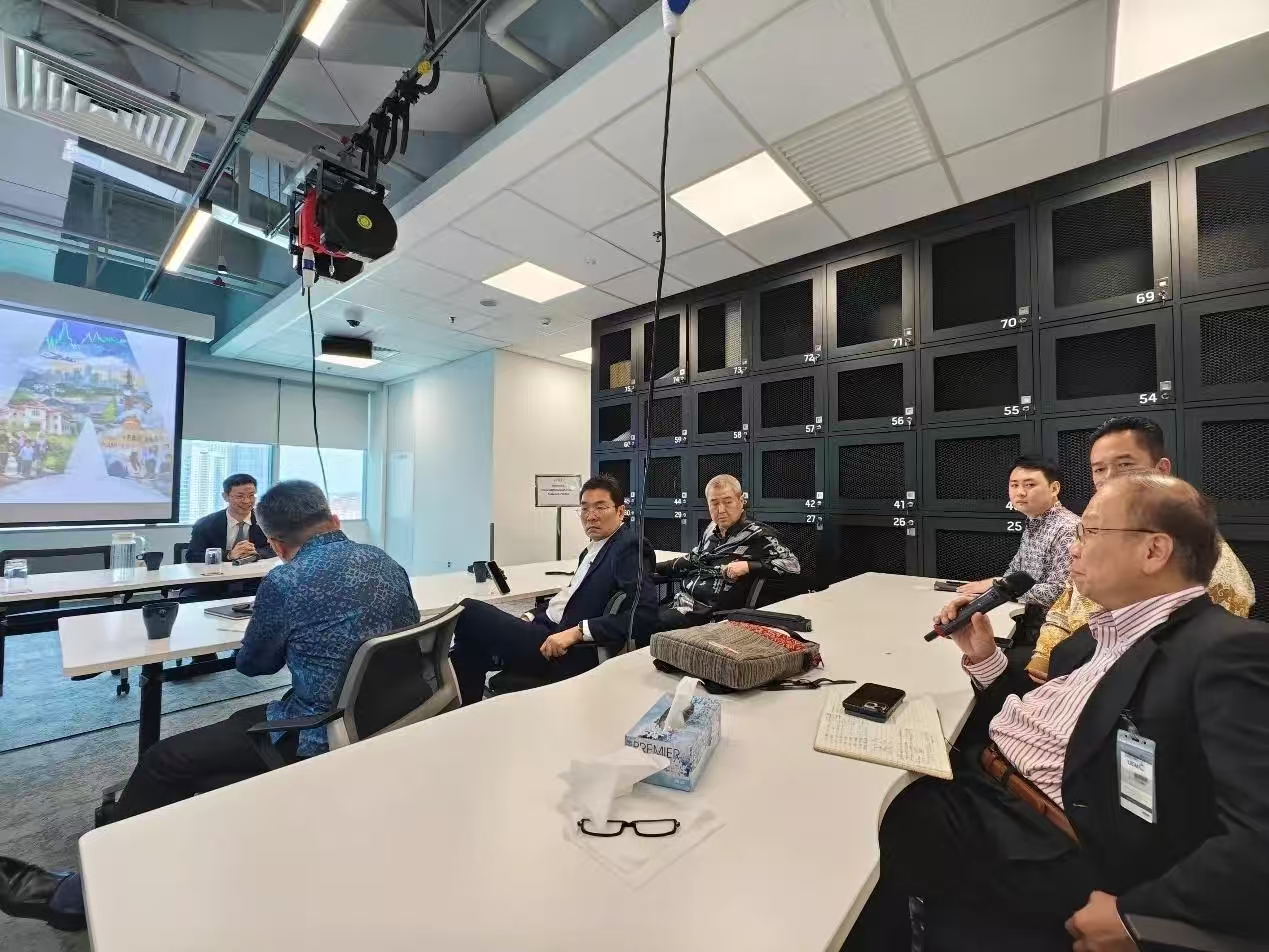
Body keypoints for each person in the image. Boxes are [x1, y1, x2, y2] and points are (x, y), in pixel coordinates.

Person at [850, 474, 1269, 951]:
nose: (1073, 547)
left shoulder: (1228, 650)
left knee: (859, 829)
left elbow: (1259, 832)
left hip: (1043, 838)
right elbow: (1048, 722)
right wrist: (984, 657)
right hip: (985, 786)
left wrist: (1139, 915)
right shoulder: (1093, 637)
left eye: (1090, 532)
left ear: (1153, 551)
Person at [107, 480, 420, 819]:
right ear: (334, 520)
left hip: (322, 727)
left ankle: (112, 851)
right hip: (398, 708)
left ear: (275, 545)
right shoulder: (384, 559)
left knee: (162, 759)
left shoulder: (285, 581)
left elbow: (255, 665)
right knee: (239, 722)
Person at [1028, 416, 1254, 680]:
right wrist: (1044, 655)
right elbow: (1067, 600)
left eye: (1125, 465)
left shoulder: (1204, 559)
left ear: (1161, 469)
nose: (1109, 479)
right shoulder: (1093, 533)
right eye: (1099, 469)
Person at [450, 474, 657, 705]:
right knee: (469, 643)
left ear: (620, 511)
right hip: (542, 627)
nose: (591, 516)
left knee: (466, 610)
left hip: (561, 648)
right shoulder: (593, 549)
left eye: (600, 507)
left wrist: (577, 632)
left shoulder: (628, 548)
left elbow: (644, 616)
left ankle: (444, 695)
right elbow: (570, 598)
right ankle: (465, 711)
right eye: (584, 508)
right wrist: (531, 615)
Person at [656, 473, 800, 628]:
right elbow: (694, 558)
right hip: (682, 601)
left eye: (728, 502)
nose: (721, 510)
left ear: (741, 502)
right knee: (641, 613)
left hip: (711, 615)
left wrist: (748, 566)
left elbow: (793, 565)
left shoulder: (759, 535)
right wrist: (652, 566)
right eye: (714, 503)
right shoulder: (711, 530)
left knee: (647, 623)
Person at [955, 456, 1078, 610]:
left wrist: (1000, 587)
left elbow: (1062, 592)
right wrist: (993, 588)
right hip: (1026, 612)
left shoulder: (1068, 528)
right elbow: (1014, 572)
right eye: (1014, 485)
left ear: (1054, 489)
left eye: (1030, 485)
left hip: (1053, 621)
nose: (1020, 492)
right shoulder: (1034, 520)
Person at [186, 473, 273, 564]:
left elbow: (276, 548)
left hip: (257, 571)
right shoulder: (205, 524)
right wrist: (228, 555)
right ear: (225, 497)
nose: (247, 501)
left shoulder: (266, 521)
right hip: (219, 572)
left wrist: (255, 553)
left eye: (251, 495)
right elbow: (193, 555)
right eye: (240, 496)